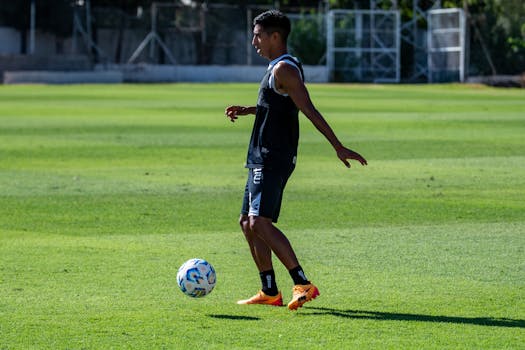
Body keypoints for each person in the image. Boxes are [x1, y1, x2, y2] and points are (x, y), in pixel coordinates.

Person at [225, 9, 367, 311]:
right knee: (246, 223)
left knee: (260, 222)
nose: (254, 41)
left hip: (273, 156)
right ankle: (269, 291)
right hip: (259, 155)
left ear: (276, 36)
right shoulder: (275, 68)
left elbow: (308, 108)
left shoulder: (284, 70)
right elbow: (276, 105)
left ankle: (302, 282)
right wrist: (248, 110)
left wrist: (338, 146)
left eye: (258, 35)